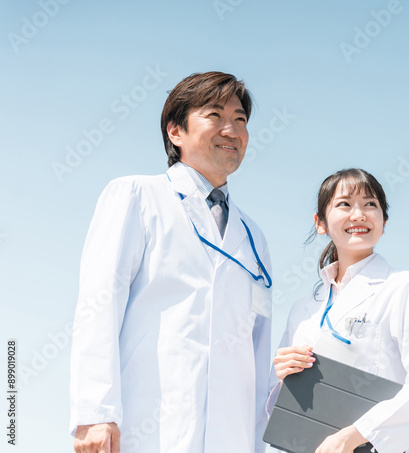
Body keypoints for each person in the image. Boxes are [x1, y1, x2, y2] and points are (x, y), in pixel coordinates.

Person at [69, 71, 274, 453]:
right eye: (214, 115)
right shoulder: (136, 195)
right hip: (149, 426)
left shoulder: (254, 237)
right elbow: (99, 303)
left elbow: (257, 347)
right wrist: (94, 411)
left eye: (241, 119)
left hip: (231, 437)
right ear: (175, 131)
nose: (231, 129)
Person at [270, 168, 409, 453]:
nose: (359, 215)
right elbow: (275, 408)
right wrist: (282, 376)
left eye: (371, 204)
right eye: (344, 204)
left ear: (384, 220)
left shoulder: (405, 287)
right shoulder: (303, 309)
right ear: (320, 223)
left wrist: (355, 435)